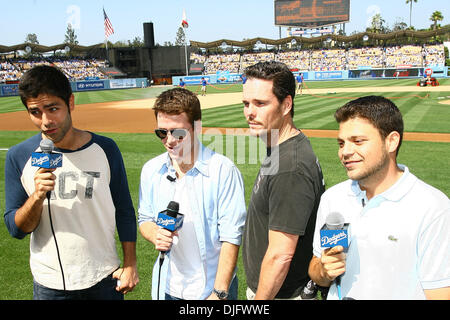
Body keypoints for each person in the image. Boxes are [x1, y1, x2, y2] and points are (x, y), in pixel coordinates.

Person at [4, 65, 139, 299]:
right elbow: (16, 229)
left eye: (53, 108)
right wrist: (37, 196)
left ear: (71, 103)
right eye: (35, 112)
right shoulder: (19, 155)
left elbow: (124, 210)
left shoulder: (106, 149)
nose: (46, 121)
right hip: (50, 285)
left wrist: (130, 264)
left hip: (104, 278)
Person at [308, 95, 450, 300]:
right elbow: (316, 268)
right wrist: (324, 270)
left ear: (391, 141)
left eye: (358, 141)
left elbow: (439, 294)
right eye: (341, 143)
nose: (345, 152)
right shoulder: (333, 198)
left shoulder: (433, 207)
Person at [138, 87, 246, 300]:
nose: (169, 141)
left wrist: (219, 293)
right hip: (167, 288)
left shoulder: (223, 171)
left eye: (178, 133)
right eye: (162, 132)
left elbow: (231, 237)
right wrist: (154, 234)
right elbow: (145, 219)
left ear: (197, 127)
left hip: (210, 290)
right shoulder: (151, 170)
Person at [241, 61, 325, 300]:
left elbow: (280, 255)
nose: (250, 112)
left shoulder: (290, 166)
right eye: (246, 103)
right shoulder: (282, 147)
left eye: (260, 103)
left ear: (286, 104)